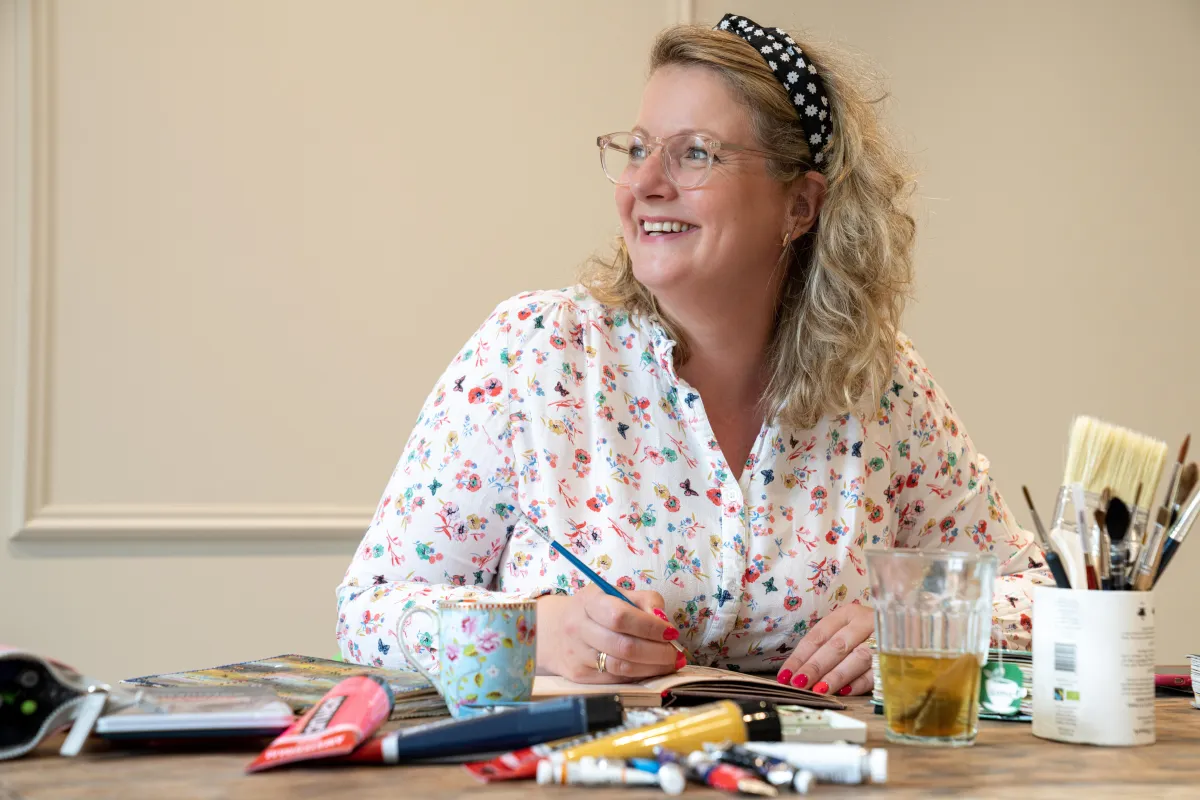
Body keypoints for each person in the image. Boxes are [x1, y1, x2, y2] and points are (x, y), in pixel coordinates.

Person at [336, 13, 1047, 697]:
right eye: (639, 148)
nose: (644, 184)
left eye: (696, 152)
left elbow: (1043, 593)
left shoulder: (880, 384)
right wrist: (537, 633)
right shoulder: (537, 352)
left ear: (800, 206)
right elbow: (368, 612)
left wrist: (914, 622)